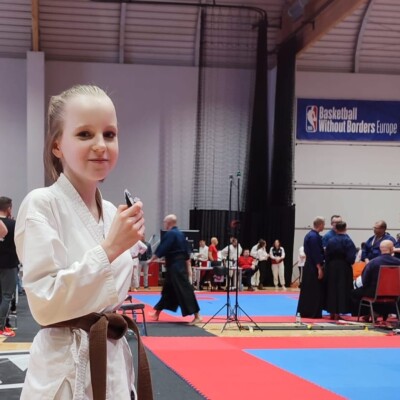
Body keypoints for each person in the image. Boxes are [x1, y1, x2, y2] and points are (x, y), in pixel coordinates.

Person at [14, 85, 148, 399]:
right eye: (85, 134)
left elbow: (114, 292)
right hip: (65, 366)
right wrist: (111, 248)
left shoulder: (113, 213)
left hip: (112, 358)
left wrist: (127, 242)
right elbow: (45, 305)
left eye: (109, 134)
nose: (101, 145)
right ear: (57, 145)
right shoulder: (41, 204)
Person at [148, 214, 201, 324]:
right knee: (168, 290)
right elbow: (186, 253)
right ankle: (156, 313)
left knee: (185, 290)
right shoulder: (180, 234)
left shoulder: (171, 234)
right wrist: (188, 267)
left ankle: (197, 316)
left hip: (176, 267)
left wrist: (152, 259)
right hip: (177, 265)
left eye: (165, 222)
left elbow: (163, 248)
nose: (164, 224)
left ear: (169, 223)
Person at [351, 240, 400, 320]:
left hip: (374, 292)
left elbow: (364, 281)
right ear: (392, 249)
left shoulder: (373, 262)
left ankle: (368, 313)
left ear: (380, 249)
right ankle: (379, 312)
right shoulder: (398, 262)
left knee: (354, 293)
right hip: (395, 293)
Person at [324, 221, 357, 320]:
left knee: (331, 289)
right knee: (342, 289)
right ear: (345, 228)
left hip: (331, 266)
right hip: (344, 267)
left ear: (336, 229)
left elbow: (327, 255)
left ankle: (331, 312)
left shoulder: (331, 240)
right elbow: (351, 257)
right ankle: (338, 312)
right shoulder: (348, 241)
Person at [297, 216, 325, 318]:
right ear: (320, 224)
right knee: (314, 290)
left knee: (308, 289)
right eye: (323, 224)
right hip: (313, 266)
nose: (324, 226)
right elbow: (315, 254)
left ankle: (305, 311)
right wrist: (319, 268)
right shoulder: (314, 237)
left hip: (309, 265)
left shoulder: (309, 235)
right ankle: (312, 312)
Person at [0, 196, 19, 337]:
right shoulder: (14, 225)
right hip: (9, 264)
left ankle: (3, 325)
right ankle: (1, 326)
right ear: (9, 209)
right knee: (7, 296)